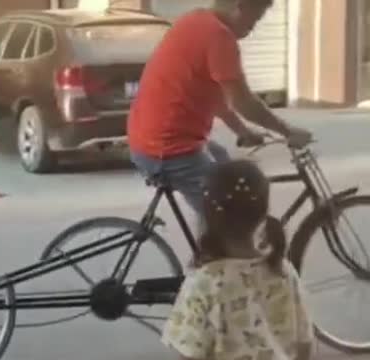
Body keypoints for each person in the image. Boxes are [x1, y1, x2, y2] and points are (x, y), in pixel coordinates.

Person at [127, 0, 313, 232]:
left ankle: (213, 248)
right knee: (227, 218)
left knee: (231, 173)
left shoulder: (197, 20)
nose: (254, 27)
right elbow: (242, 101)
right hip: (167, 149)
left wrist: (242, 132)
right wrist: (288, 131)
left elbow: (217, 99)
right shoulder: (219, 37)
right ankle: (211, 262)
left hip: (159, 138)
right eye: (255, 18)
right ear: (239, 6)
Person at [161, 159, 314, 360]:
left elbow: (189, 352)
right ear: (263, 213)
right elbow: (304, 343)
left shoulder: (204, 283)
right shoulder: (283, 270)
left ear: (208, 216)